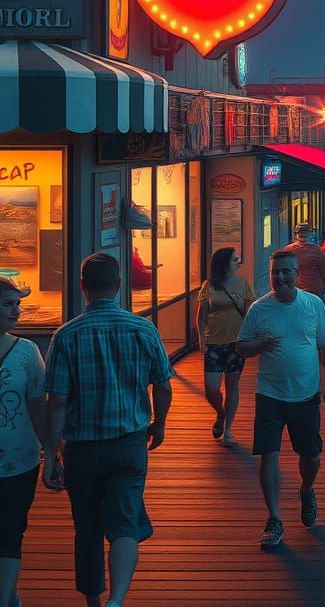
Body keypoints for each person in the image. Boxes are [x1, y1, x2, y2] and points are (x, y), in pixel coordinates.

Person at [44, 252, 173, 607]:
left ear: (82, 287)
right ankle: (117, 599)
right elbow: (163, 386)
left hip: (81, 448)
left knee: (87, 528)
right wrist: (158, 423)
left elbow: (56, 401)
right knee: (124, 522)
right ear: (119, 285)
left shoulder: (65, 335)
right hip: (129, 444)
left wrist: (51, 455)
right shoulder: (143, 328)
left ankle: (95, 604)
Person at [236, 249, 325, 550]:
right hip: (269, 393)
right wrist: (260, 344)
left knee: (311, 455)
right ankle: (275, 518)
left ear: (296, 274)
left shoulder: (313, 304)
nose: (280, 276)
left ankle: (307, 490)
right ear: (269, 274)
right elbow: (242, 347)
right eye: (275, 272)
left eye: (286, 271)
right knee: (268, 454)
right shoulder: (259, 309)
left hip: (305, 394)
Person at [0, 278, 52, 607]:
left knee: (10, 531)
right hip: (20, 459)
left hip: (19, 460)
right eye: (8, 304)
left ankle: (5, 598)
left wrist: (52, 452)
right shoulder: (26, 352)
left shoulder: (27, 351)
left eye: (17, 304)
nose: (16, 310)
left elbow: (38, 406)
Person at [196, 247, 255, 447]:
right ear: (224, 263)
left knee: (232, 385)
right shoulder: (208, 286)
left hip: (236, 342)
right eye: (234, 259)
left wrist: (239, 305)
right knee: (211, 389)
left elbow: (250, 316)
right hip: (213, 342)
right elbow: (201, 316)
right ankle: (221, 413)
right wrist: (201, 339)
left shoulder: (243, 284)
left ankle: (228, 428)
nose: (238, 262)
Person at [283, 222, 325, 300]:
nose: (303, 234)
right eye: (302, 232)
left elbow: (283, 271)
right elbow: (324, 272)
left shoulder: (288, 250)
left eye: (304, 232)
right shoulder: (317, 249)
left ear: (295, 235)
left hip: (297, 290)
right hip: (313, 290)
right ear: (310, 234)